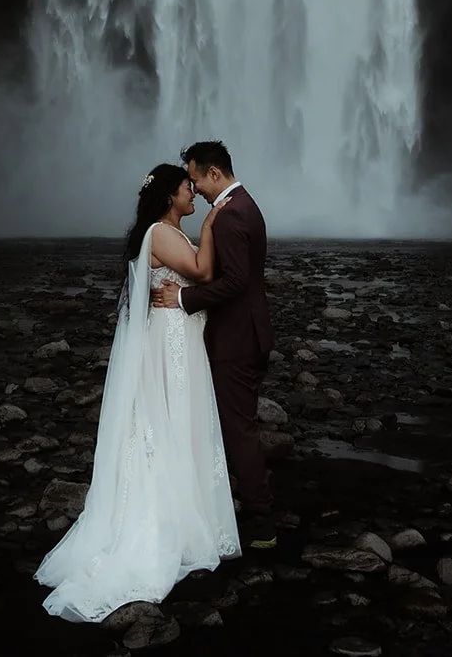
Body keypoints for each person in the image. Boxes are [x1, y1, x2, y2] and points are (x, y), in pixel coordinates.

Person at [34, 163, 241, 623]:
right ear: (170, 195)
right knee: (170, 420)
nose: (194, 196)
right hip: (171, 343)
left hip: (177, 336)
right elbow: (204, 271)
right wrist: (210, 225)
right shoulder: (162, 234)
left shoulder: (163, 233)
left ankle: (185, 512)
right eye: (189, 190)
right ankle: (172, 519)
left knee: (172, 421)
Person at [150, 140, 277, 549]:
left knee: (237, 429)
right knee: (238, 424)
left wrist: (184, 299)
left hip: (236, 339)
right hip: (250, 332)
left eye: (196, 179)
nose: (195, 188)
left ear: (214, 174)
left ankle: (261, 520)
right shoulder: (246, 205)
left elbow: (235, 281)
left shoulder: (227, 217)